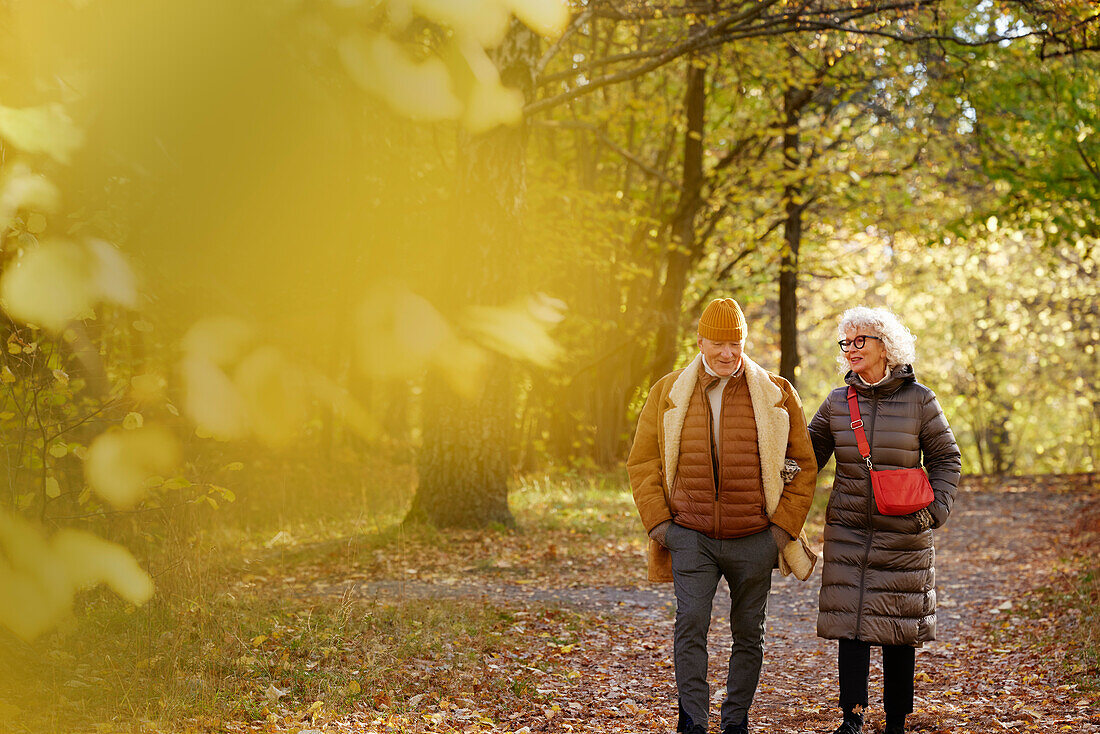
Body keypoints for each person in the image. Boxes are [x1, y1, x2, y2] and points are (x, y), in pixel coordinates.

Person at [628, 297, 818, 734]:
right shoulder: (668, 391)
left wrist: (781, 530)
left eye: (736, 344)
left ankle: (736, 721)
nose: (728, 353)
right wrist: (661, 526)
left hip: (755, 536)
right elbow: (641, 462)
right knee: (690, 623)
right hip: (690, 535)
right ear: (700, 342)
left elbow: (804, 465)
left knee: (749, 632)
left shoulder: (776, 392)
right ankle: (693, 721)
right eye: (719, 344)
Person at [807, 306, 961, 734]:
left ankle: (895, 722)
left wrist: (935, 511)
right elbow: (806, 458)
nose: (851, 349)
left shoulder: (921, 400)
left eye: (861, 341)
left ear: (886, 347)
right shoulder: (837, 403)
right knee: (850, 625)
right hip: (850, 529)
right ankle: (852, 717)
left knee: (898, 627)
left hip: (905, 530)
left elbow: (947, 458)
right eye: (846, 342)